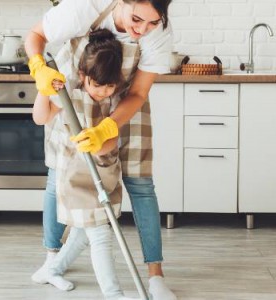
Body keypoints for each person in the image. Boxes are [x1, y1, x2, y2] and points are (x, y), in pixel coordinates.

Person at [25, 0, 176, 299]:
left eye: (152, 23)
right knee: (58, 179)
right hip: (73, 102)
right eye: (136, 19)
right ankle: (52, 260)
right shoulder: (85, 7)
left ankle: (155, 276)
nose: (142, 30)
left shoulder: (158, 33)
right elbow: (36, 35)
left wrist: (108, 128)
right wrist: (39, 69)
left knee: (141, 185)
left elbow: (138, 92)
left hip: (126, 106)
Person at [31, 29, 136, 300]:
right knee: (100, 233)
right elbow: (40, 118)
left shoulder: (115, 100)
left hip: (105, 175)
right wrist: (43, 90)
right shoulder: (70, 97)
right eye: (97, 85)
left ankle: (51, 270)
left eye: (109, 86)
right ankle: (114, 294)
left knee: (82, 231)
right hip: (76, 179)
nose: (103, 92)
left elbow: (113, 141)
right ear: (82, 76)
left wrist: (103, 139)